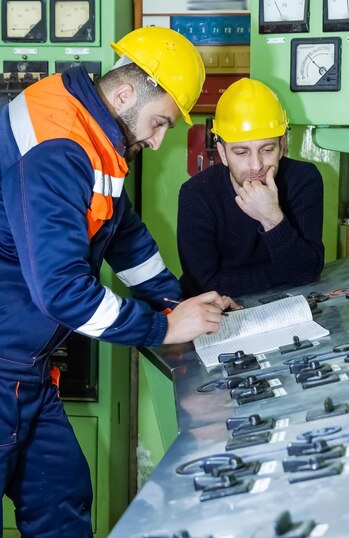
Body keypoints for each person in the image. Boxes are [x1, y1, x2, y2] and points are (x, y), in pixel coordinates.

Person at [0, 27, 237, 538]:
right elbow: (62, 292)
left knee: (61, 497)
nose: (155, 141)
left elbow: (122, 233)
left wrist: (182, 301)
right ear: (127, 94)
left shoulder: (89, 131)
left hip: (27, 372)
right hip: (3, 364)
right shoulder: (59, 145)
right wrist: (162, 327)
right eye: (159, 124)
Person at [177, 77, 325, 299]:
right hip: (216, 315)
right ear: (222, 153)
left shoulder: (304, 180)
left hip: (284, 308)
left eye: (267, 150)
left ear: (282, 146)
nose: (257, 165)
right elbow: (204, 284)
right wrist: (284, 274)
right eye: (241, 152)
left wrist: (272, 219)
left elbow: (307, 273)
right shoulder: (196, 193)